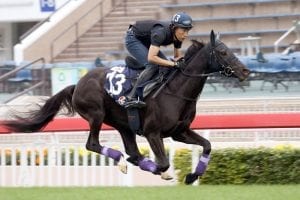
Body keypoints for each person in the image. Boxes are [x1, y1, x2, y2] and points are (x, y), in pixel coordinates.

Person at [123, 12, 193, 108]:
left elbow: (177, 57)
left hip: (146, 40)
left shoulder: (178, 37)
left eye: (188, 31)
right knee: (152, 65)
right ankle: (132, 97)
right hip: (133, 38)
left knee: (166, 67)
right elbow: (152, 58)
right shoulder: (161, 33)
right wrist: (174, 64)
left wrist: (183, 63)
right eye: (183, 30)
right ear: (174, 28)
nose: (186, 35)